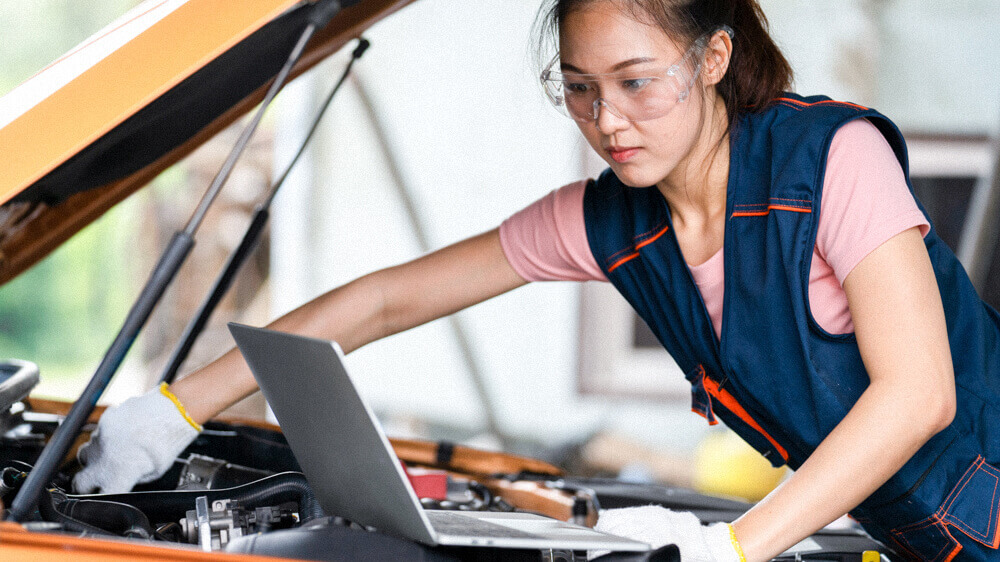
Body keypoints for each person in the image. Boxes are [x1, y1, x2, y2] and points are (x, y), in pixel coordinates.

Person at [73, 0, 1000, 560]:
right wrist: (174, 409)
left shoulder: (832, 159)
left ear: (714, 58)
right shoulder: (610, 218)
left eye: (639, 81)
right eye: (582, 88)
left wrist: (732, 544)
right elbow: (389, 298)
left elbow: (918, 395)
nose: (609, 119)